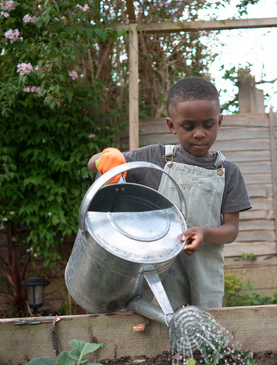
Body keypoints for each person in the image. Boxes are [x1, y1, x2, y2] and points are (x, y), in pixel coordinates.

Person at [87, 77, 251, 310]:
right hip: (160, 277)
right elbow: (92, 163)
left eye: (208, 125)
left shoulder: (228, 172)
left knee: (204, 332)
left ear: (220, 121)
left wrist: (205, 233)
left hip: (205, 275)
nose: (199, 133)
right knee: (162, 330)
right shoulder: (156, 158)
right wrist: (108, 158)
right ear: (171, 125)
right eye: (188, 126)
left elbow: (231, 230)